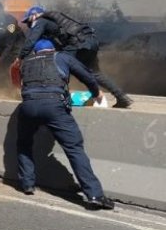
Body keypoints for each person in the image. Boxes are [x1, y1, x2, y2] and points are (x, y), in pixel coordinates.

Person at [17, 38, 115, 210]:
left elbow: (21, 84)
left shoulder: (26, 62)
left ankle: (27, 184)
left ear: (35, 52)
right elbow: (86, 76)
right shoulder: (61, 57)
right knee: (74, 148)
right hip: (54, 106)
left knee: (24, 143)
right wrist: (97, 93)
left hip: (28, 106)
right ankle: (94, 195)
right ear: (52, 50)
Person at [16, 5, 132, 109]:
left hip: (78, 44)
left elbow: (31, 40)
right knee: (96, 74)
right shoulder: (55, 22)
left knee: (60, 65)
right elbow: (59, 44)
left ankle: (61, 97)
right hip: (90, 41)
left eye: (28, 21)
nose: (28, 25)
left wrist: (20, 57)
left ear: (34, 15)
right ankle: (121, 97)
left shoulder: (40, 21)